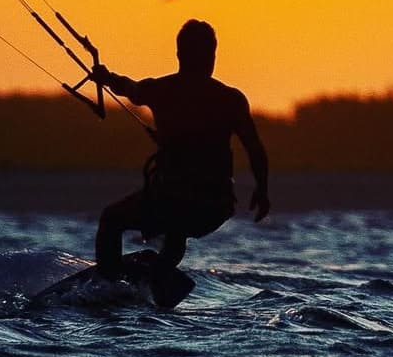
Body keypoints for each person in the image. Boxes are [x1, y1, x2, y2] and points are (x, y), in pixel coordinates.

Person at [92, 19, 270, 281]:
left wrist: (105, 77)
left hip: (173, 200)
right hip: (213, 208)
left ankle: (111, 284)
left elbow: (129, 88)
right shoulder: (231, 99)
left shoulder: (160, 89)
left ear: (179, 55)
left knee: (111, 219)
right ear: (211, 56)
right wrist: (262, 190)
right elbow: (254, 148)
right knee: (177, 229)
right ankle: (160, 273)